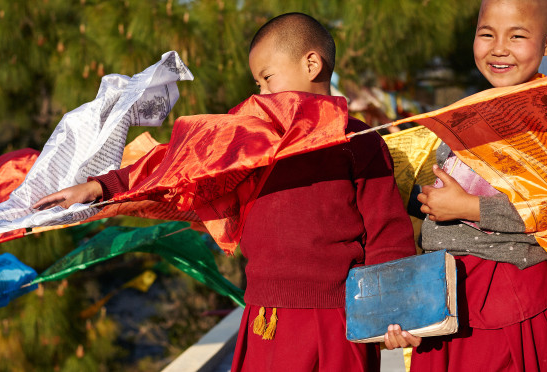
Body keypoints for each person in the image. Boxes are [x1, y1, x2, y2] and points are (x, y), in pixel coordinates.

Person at [34, 13, 418, 371]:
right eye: (258, 84)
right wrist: (103, 186)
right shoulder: (251, 137)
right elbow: (177, 165)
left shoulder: (359, 141)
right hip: (263, 316)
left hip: (336, 318)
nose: (262, 92)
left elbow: (387, 233)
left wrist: (395, 309)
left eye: (268, 78)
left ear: (311, 64)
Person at [406, 0, 547, 370]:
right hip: (444, 294)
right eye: (486, 34)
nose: (499, 48)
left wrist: (468, 208)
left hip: (507, 293)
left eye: (517, 35)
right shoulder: (465, 114)